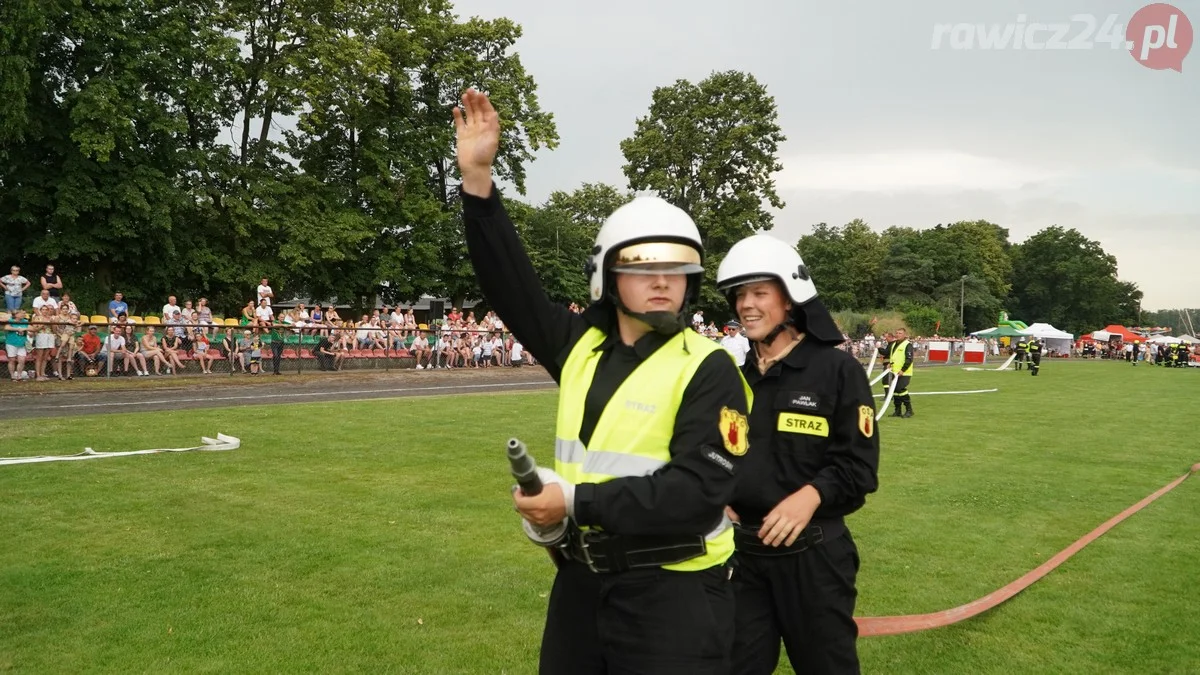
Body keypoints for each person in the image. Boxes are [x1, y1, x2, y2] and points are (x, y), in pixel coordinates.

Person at [454, 88, 752, 674]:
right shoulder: (578, 347)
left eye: (677, 270)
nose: (663, 282)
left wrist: (574, 501)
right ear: (607, 277)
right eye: (644, 269)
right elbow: (510, 285)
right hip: (583, 585)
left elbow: (696, 495)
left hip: (676, 600)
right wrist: (478, 183)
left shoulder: (708, 366)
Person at [715, 234, 880, 675]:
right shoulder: (733, 377)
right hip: (742, 559)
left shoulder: (836, 371)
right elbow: (720, 453)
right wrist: (720, 494)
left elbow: (858, 468)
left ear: (790, 299)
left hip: (815, 562)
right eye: (738, 295)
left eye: (758, 293)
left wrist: (809, 496)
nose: (745, 305)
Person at [882, 327, 915, 418]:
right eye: (897, 333)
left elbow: (909, 359)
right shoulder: (894, 344)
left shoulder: (907, 345)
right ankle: (898, 410)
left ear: (904, 335)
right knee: (895, 390)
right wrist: (890, 363)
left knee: (900, 389)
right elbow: (894, 357)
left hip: (904, 373)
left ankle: (909, 410)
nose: (898, 334)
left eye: (900, 333)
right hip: (895, 372)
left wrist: (903, 370)